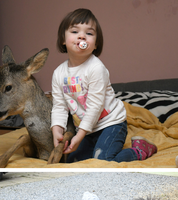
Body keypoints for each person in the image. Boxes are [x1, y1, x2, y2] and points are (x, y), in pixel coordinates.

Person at [50, 8, 157, 163]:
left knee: (103, 160)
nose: (82, 36)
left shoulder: (96, 68)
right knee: (72, 162)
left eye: (89, 33)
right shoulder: (59, 73)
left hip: (111, 124)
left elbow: (95, 107)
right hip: (88, 130)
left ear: (95, 44)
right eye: (74, 31)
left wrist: (79, 136)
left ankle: (140, 149)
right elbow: (59, 107)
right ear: (63, 39)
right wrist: (56, 130)